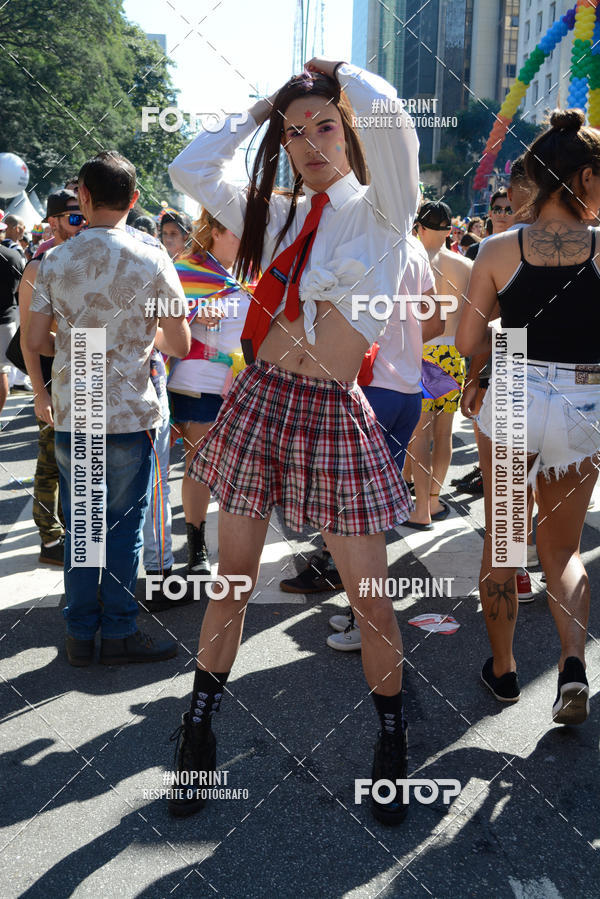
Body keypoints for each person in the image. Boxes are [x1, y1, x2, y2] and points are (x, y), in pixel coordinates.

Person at [168, 56, 419, 823]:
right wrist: (257, 111)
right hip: (257, 400)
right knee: (233, 579)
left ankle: (390, 740)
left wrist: (339, 71)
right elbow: (189, 165)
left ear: (350, 131)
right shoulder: (273, 213)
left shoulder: (385, 212)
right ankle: (199, 729)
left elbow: (391, 118)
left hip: (333, 412)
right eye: (297, 131)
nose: (311, 142)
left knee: (370, 596)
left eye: (326, 126)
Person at [456, 109, 600, 723]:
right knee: (563, 549)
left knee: (506, 542)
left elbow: (467, 343)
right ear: (586, 180)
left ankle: (505, 672)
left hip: (512, 394)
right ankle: (571, 664)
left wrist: (496, 353)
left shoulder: (494, 249)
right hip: (585, 400)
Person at [27, 150, 191, 667]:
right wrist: (136, 334)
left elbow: (36, 338)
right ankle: (119, 631)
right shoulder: (154, 256)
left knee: (82, 526)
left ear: (84, 197)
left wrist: (44, 387)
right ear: (135, 200)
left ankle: (79, 635)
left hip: (77, 407)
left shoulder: (56, 259)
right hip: (130, 410)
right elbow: (181, 342)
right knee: (123, 526)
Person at [327, 234, 441, 650]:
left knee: (357, 512)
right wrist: (403, 343)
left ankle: (369, 619)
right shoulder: (413, 247)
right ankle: (364, 610)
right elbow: (436, 322)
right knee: (368, 509)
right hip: (407, 391)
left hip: (371, 389)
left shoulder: (362, 242)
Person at [167, 208, 250, 581]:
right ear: (215, 230)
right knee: (200, 466)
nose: (245, 237)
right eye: (237, 230)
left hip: (245, 385)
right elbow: (163, 316)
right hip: (198, 382)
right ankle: (197, 544)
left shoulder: (253, 270)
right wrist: (193, 314)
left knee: (236, 471)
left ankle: (233, 548)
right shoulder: (186, 268)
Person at [18, 189, 85, 566]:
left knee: (78, 463)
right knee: (50, 462)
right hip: (52, 377)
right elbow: (29, 339)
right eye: (73, 218)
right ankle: (49, 539)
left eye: (84, 218)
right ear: (53, 222)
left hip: (84, 376)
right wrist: (39, 393)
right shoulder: (39, 265)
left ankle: (73, 532)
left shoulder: (85, 257)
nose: (80, 225)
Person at [403, 201, 471, 529]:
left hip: (422, 355)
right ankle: (432, 499)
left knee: (419, 435)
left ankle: (420, 510)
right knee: (444, 434)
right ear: (448, 231)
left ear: (420, 227)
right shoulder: (465, 265)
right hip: (453, 355)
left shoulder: (410, 262)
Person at [0, 242, 25, 415]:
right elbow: (19, 289)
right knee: (1, 372)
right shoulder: (13, 256)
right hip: (5, 320)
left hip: (6, 319)